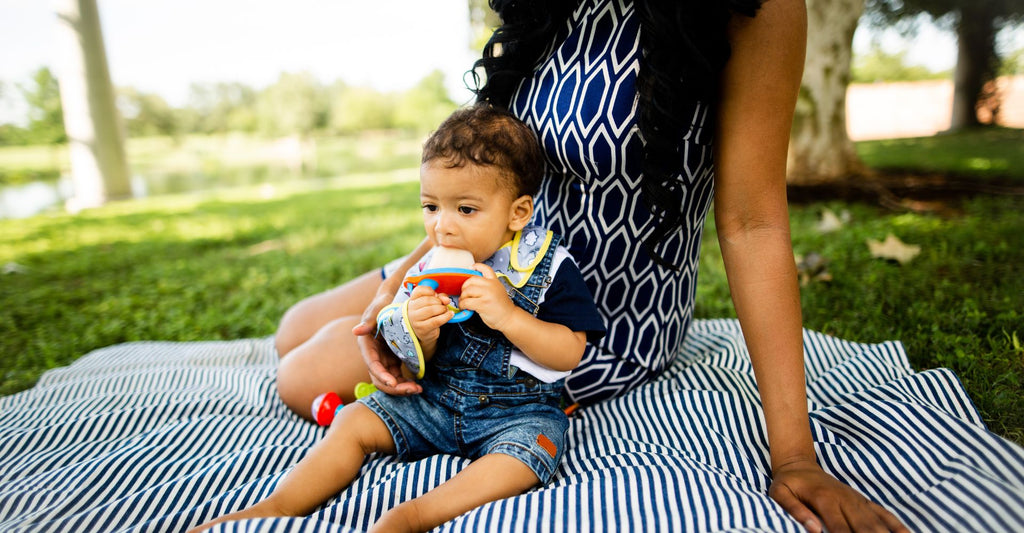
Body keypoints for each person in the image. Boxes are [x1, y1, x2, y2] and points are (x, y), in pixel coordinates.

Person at [273, 1, 908, 531]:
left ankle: (421, 421)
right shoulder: (546, 5)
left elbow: (753, 222)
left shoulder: (753, 8)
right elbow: (476, 180)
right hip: (482, 252)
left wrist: (795, 457)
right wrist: (397, 287)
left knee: (301, 377)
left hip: (579, 305)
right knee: (292, 330)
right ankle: (401, 410)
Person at [191, 104, 606, 533]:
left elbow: (568, 353)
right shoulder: (429, 267)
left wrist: (508, 316)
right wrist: (418, 331)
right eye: (431, 207)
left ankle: (410, 517)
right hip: (435, 401)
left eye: (465, 209)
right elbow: (411, 360)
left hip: (517, 415)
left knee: (525, 456)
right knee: (354, 419)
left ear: (517, 213)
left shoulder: (549, 267)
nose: (442, 227)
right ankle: (278, 505)